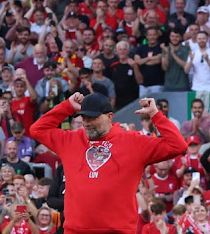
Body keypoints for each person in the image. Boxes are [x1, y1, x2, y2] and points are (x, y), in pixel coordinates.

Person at [29, 93, 187, 234]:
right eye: (84, 117)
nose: (87, 123)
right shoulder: (71, 139)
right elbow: (37, 129)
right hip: (74, 230)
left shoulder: (133, 142)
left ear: (110, 117)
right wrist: (67, 106)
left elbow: (178, 146)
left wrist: (155, 114)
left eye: (93, 118)